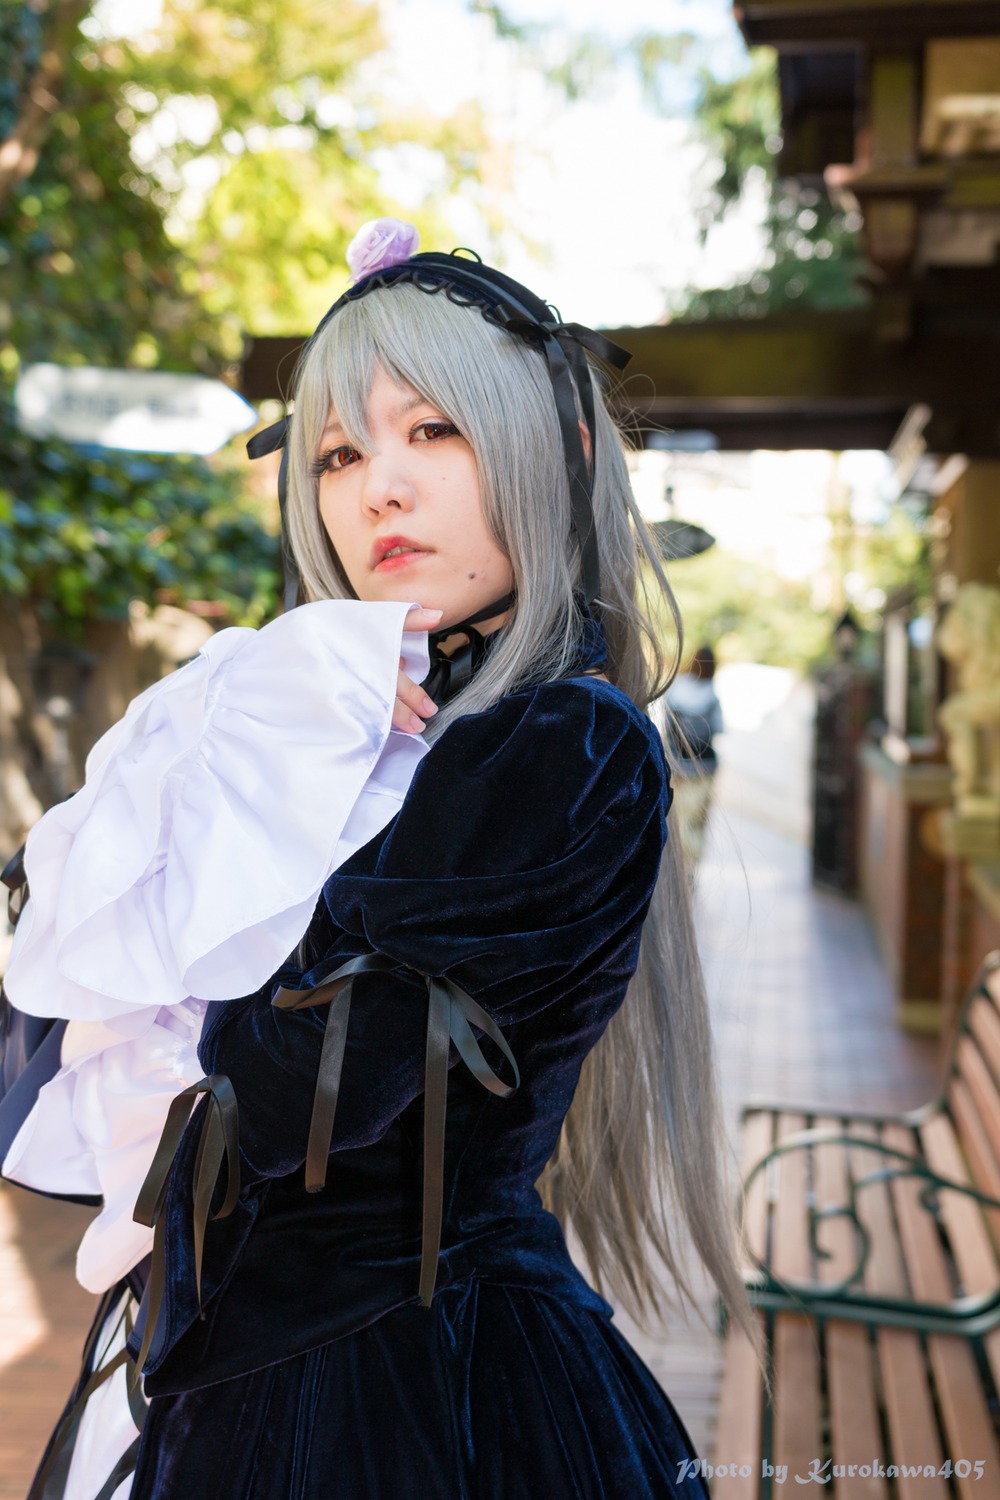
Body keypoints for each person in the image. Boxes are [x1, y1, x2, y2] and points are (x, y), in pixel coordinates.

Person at [1, 219, 757, 1500]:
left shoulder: (559, 740)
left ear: (558, 450)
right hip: (254, 1364)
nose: (376, 490)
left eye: (433, 432)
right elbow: (72, 977)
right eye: (339, 451)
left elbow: (286, 1090)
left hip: (402, 1395)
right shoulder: (364, 714)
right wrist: (251, 704)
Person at [661, 645, 724, 865]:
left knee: (676, 816)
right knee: (696, 820)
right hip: (704, 765)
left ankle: (675, 862)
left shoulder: (676, 689)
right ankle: (691, 866)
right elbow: (718, 729)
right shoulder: (712, 695)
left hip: (678, 764)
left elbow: (667, 728)